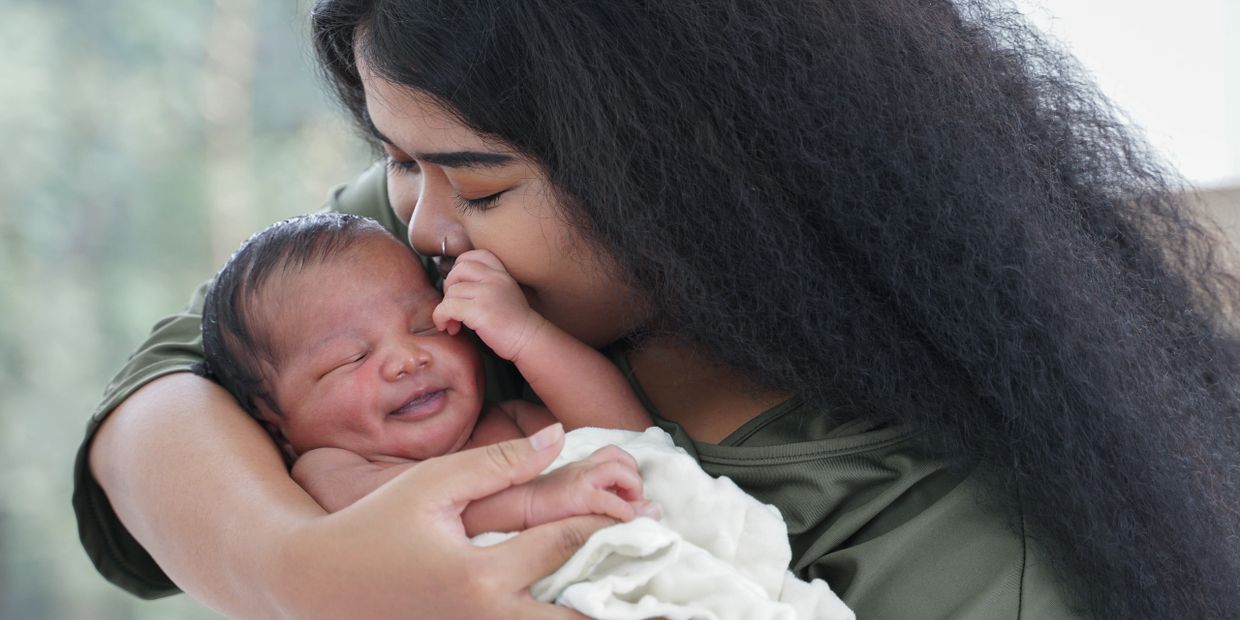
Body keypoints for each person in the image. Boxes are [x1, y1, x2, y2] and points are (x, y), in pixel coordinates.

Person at [75, 1, 1240, 618]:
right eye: (392, 161)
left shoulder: (970, 550)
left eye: (474, 182)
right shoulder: (438, 253)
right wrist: (300, 570)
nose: (419, 225)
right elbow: (173, 380)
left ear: (694, 172)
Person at [195, 212, 655, 522]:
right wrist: (539, 499)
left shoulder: (509, 420)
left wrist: (524, 334)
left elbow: (629, 439)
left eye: (424, 326)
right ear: (274, 421)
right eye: (351, 357)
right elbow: (413, 514)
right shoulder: (328, 474)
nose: (408, 359)